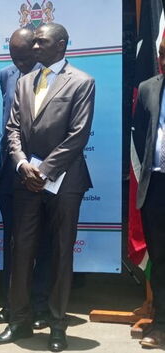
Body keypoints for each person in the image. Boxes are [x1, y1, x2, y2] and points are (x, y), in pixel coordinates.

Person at [0, 23, 95, 352]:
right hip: (26, 180)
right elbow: (11, 130)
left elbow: (78, 135)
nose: (35, 48)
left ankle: (56, 325)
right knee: (21, 251)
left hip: (65, 182)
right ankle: (20, 322)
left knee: (62, 253)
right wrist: (23, 164)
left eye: (42, 42)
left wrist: (46, 170)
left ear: (62, 45)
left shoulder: (81, 82)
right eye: (33, 43)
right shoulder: (24, 82)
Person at [0, 28, 51, 330]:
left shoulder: (52, 76)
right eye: (15, 59)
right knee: (11, 241)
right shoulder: (5, 74)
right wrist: (16, 163)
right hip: (10, 170)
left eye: (24, 59)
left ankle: (39, 306)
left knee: (41, 242)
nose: (20, 65)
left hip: (42, 173)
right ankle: (10, 304)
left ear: (36, 51)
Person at [133, 37, 165, 350]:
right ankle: (161, 325)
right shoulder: (147, 88)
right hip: (156, 187)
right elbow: (139, 132)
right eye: (163, 55)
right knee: (161, 259)